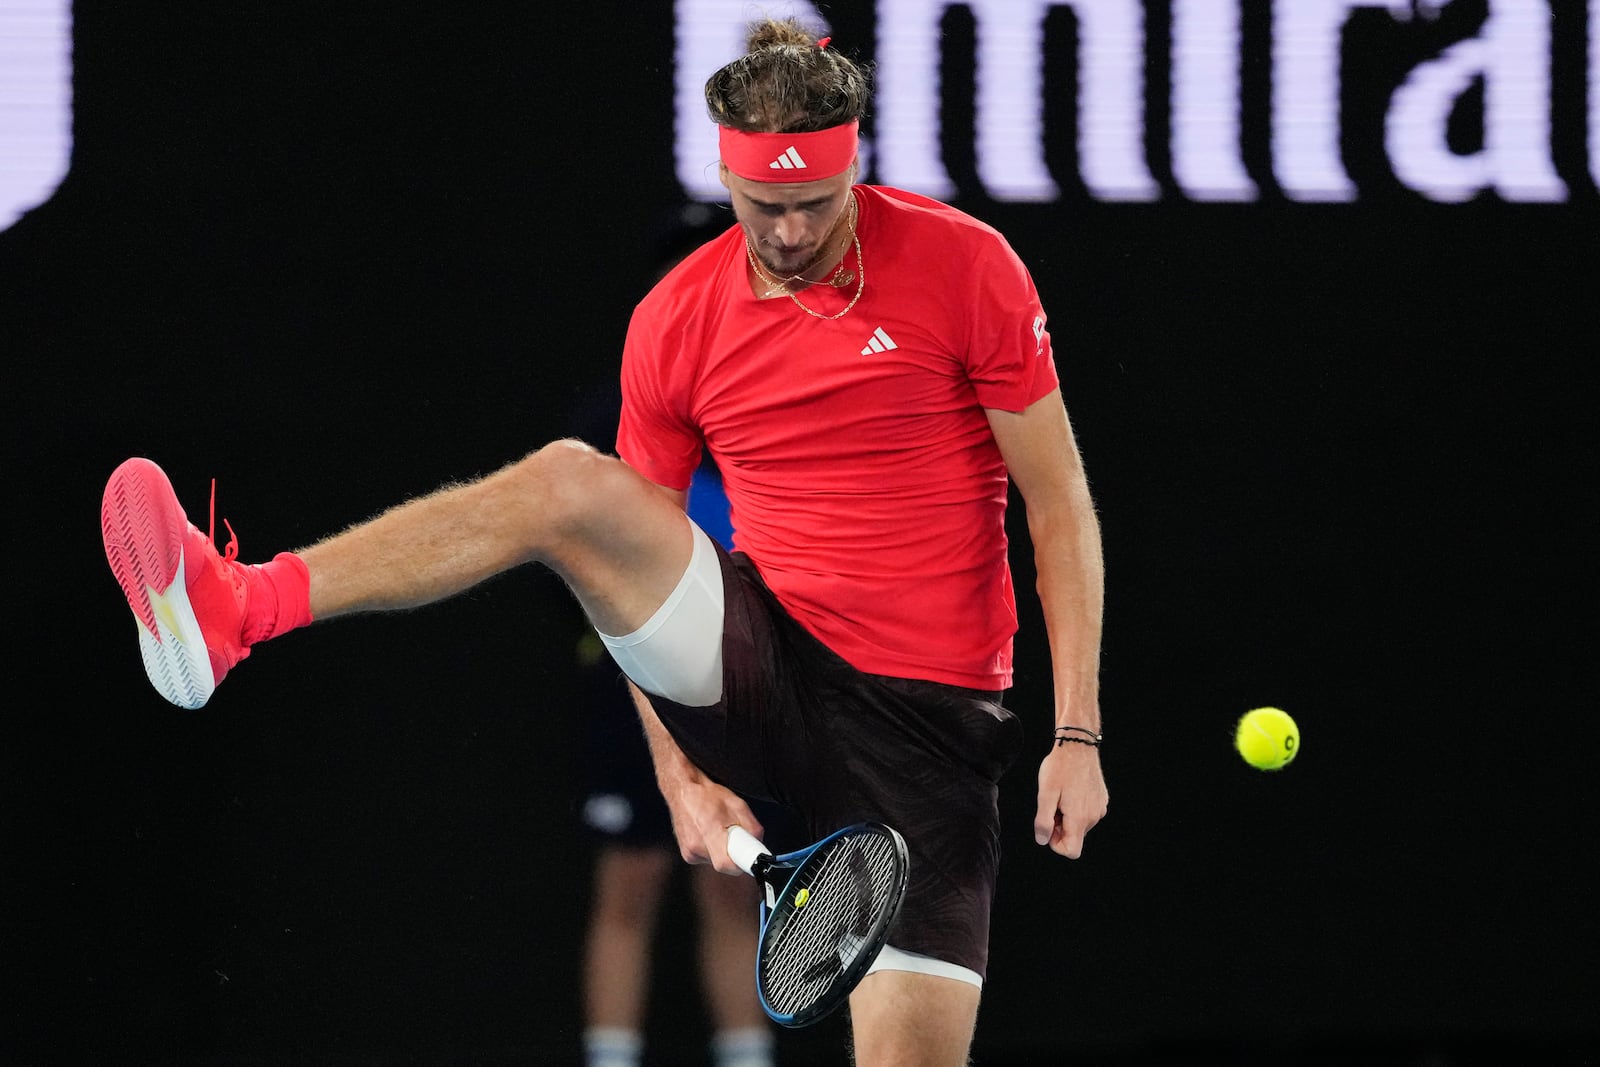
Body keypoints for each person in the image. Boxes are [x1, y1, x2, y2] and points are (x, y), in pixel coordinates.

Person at [99, 18, 1108, 1066]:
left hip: (931, 727)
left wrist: (1075, 732)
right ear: (726, 172)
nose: (795, 231)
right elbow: (626, 576)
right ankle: (238, 606)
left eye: (818, 204)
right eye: (768, 205)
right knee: (573, 487)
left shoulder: (968, 266)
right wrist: (678, 771)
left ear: (855, 168)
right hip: (758, 665)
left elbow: (1056, 502)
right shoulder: (676, 318)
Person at [576, 462, 778, 1067]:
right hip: (626, 701)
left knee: (733, 887)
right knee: (628, 887)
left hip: (736, 696)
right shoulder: (613, 424)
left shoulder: (755, 430)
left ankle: (746, 1057)